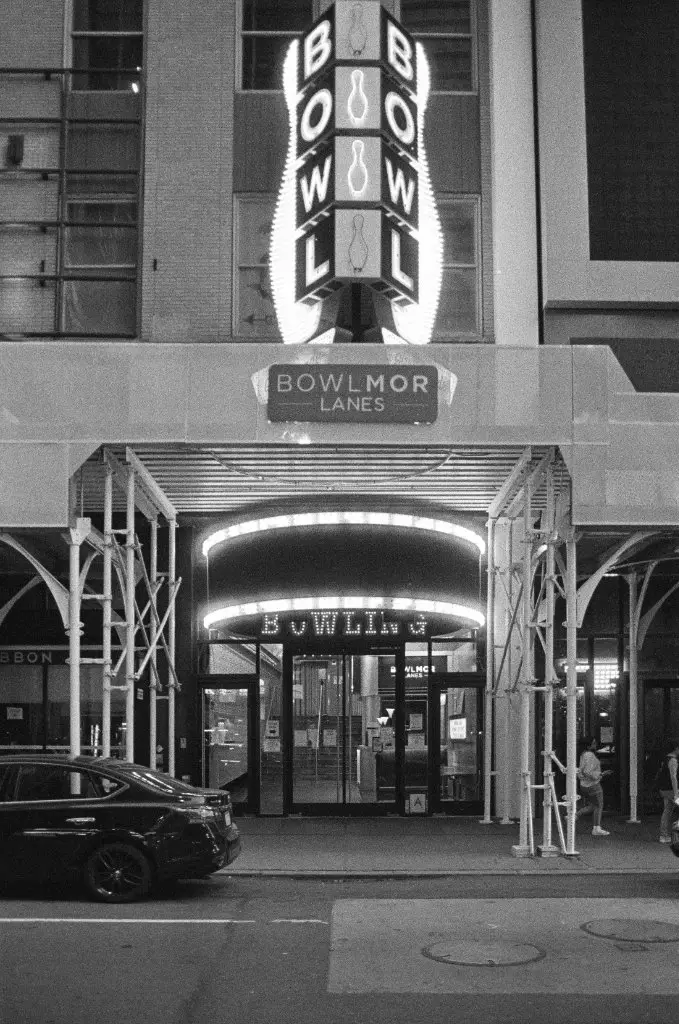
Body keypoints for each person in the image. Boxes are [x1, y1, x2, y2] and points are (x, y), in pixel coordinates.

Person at [576, 735, 611, 836]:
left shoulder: (583, 754)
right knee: (599, 805)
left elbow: (583, 770)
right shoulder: (590, 755)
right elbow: (588, 771)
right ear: (589, 745)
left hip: (584, 784)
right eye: (594, 743)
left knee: (593, 805)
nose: (595, 744)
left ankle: (576, 815)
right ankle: (596, 827)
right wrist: (601, 774)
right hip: (593, 784)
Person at [656, 739, 679, 843]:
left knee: (667, 811)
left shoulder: (665, 759)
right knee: (668, 811)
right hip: (671, 790)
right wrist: (676, 794)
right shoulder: (673, 761)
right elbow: (673, 777)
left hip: (664, 789)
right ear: (676, 749)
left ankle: (663, 835)